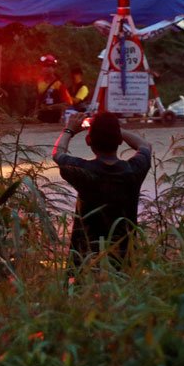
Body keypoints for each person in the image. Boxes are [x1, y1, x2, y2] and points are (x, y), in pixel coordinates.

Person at [51, 111, 153, 262]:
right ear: (119, 140)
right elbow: (144, 145)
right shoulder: (133, 170)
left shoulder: (83, 170)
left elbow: (57, 153)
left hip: (87, 254)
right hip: (124, 253)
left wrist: (69, 130)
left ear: (88, 140)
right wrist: (112, 128)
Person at [35, 54, 71, 122]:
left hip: (55, 119)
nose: (46, 68)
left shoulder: (59, 84)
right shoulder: (39, 83)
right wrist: (35, 114)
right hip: (41, 118)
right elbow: (37, 101)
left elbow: (68, 103)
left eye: (48, 66)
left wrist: (51, 107)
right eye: (44, 66)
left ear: (54, 68)